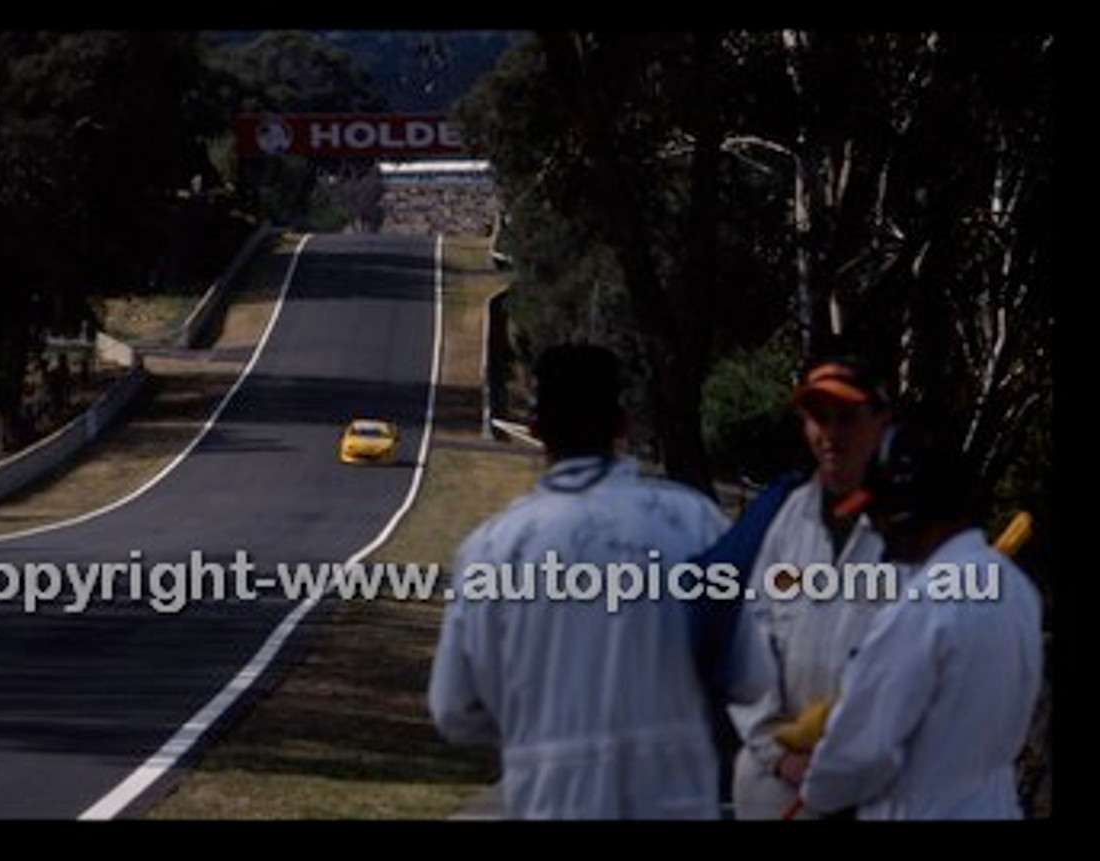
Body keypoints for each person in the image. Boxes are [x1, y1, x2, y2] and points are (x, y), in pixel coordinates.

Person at [427, 343, 773, 819]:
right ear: (623, 425)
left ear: (535, 431)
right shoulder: (695, 523)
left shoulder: (492, 549)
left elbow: (454, 710)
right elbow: (753, 678)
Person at [796, 417, 1043, 818]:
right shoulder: (1018, 591)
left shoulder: (923, 606)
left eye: (877, 512)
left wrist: (816, 782)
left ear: (902, 510)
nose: (876, 528)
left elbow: (861, 751)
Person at [727, 354, 895, 819]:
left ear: (881, 421)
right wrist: (780, 753)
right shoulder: (783, 523)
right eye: (819, 418)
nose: (832, 435)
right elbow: (749, 645)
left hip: (878, 792)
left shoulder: (913, 532)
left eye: (848, 418)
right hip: (779, 789)